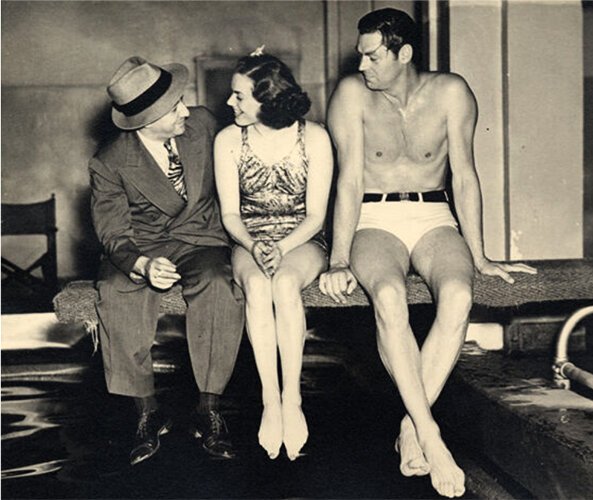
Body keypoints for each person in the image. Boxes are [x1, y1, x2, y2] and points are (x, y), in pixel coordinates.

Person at [319, 9, 537, 498]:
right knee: (390, 296)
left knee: (459, 295)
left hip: (435, 217)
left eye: (374, 56)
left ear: (404, 54)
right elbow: (348, 181)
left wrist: (479, 255)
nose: (363, 65)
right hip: (373, 221)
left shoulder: (451, 93)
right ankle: (431, 434)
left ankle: (410, 426)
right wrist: (337, 258)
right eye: (361, 54)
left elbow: (464, 175)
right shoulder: (352, 95)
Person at [89, 56, 245, 465]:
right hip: (142, 244)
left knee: (218, 283)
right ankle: (146, 410)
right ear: (145, 120)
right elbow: (112, 233)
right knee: (114, 288)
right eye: (174, 106)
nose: (184, 110)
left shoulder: (204, 124)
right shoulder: (108, 161)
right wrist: (141, 265)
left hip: (201, 240)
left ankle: (208, 408)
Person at [214, 49, 333, 460]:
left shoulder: (314, 137)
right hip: (248, 237)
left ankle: (293, 398)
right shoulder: (228, 139)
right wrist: (255, 245)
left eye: (239, 96)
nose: (230, 103)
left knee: (283, 284)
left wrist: (281, 248)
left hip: (301, 239)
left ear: (267, 98)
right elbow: (230, 213)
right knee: (256, 285)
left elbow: (317, 215)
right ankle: (270, 400)